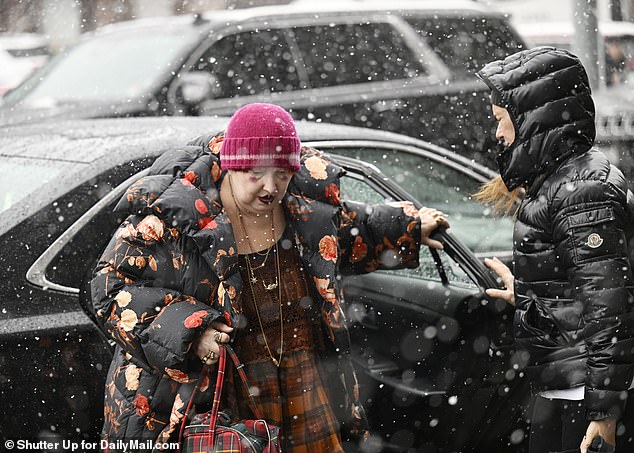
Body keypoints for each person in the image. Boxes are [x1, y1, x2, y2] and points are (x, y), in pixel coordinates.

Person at [90, 103, 449, 452]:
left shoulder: (303, 209)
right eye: (256, 173)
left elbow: (351, 231)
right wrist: (191, 330)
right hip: (214, 395)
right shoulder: (173, 215)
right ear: (231, 165)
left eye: (282, 173)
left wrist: (408, 228)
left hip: (302, 385)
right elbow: (111, 287)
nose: (270, 187)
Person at [475, 47, 634, 453]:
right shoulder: (561, 181)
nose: (497, 133)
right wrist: (528, 293)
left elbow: (609, 306)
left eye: (500, 121)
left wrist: (604, 413)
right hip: (568, 386)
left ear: (532, 119)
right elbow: (582, 285)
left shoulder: (580, 190)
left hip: (582, 394)